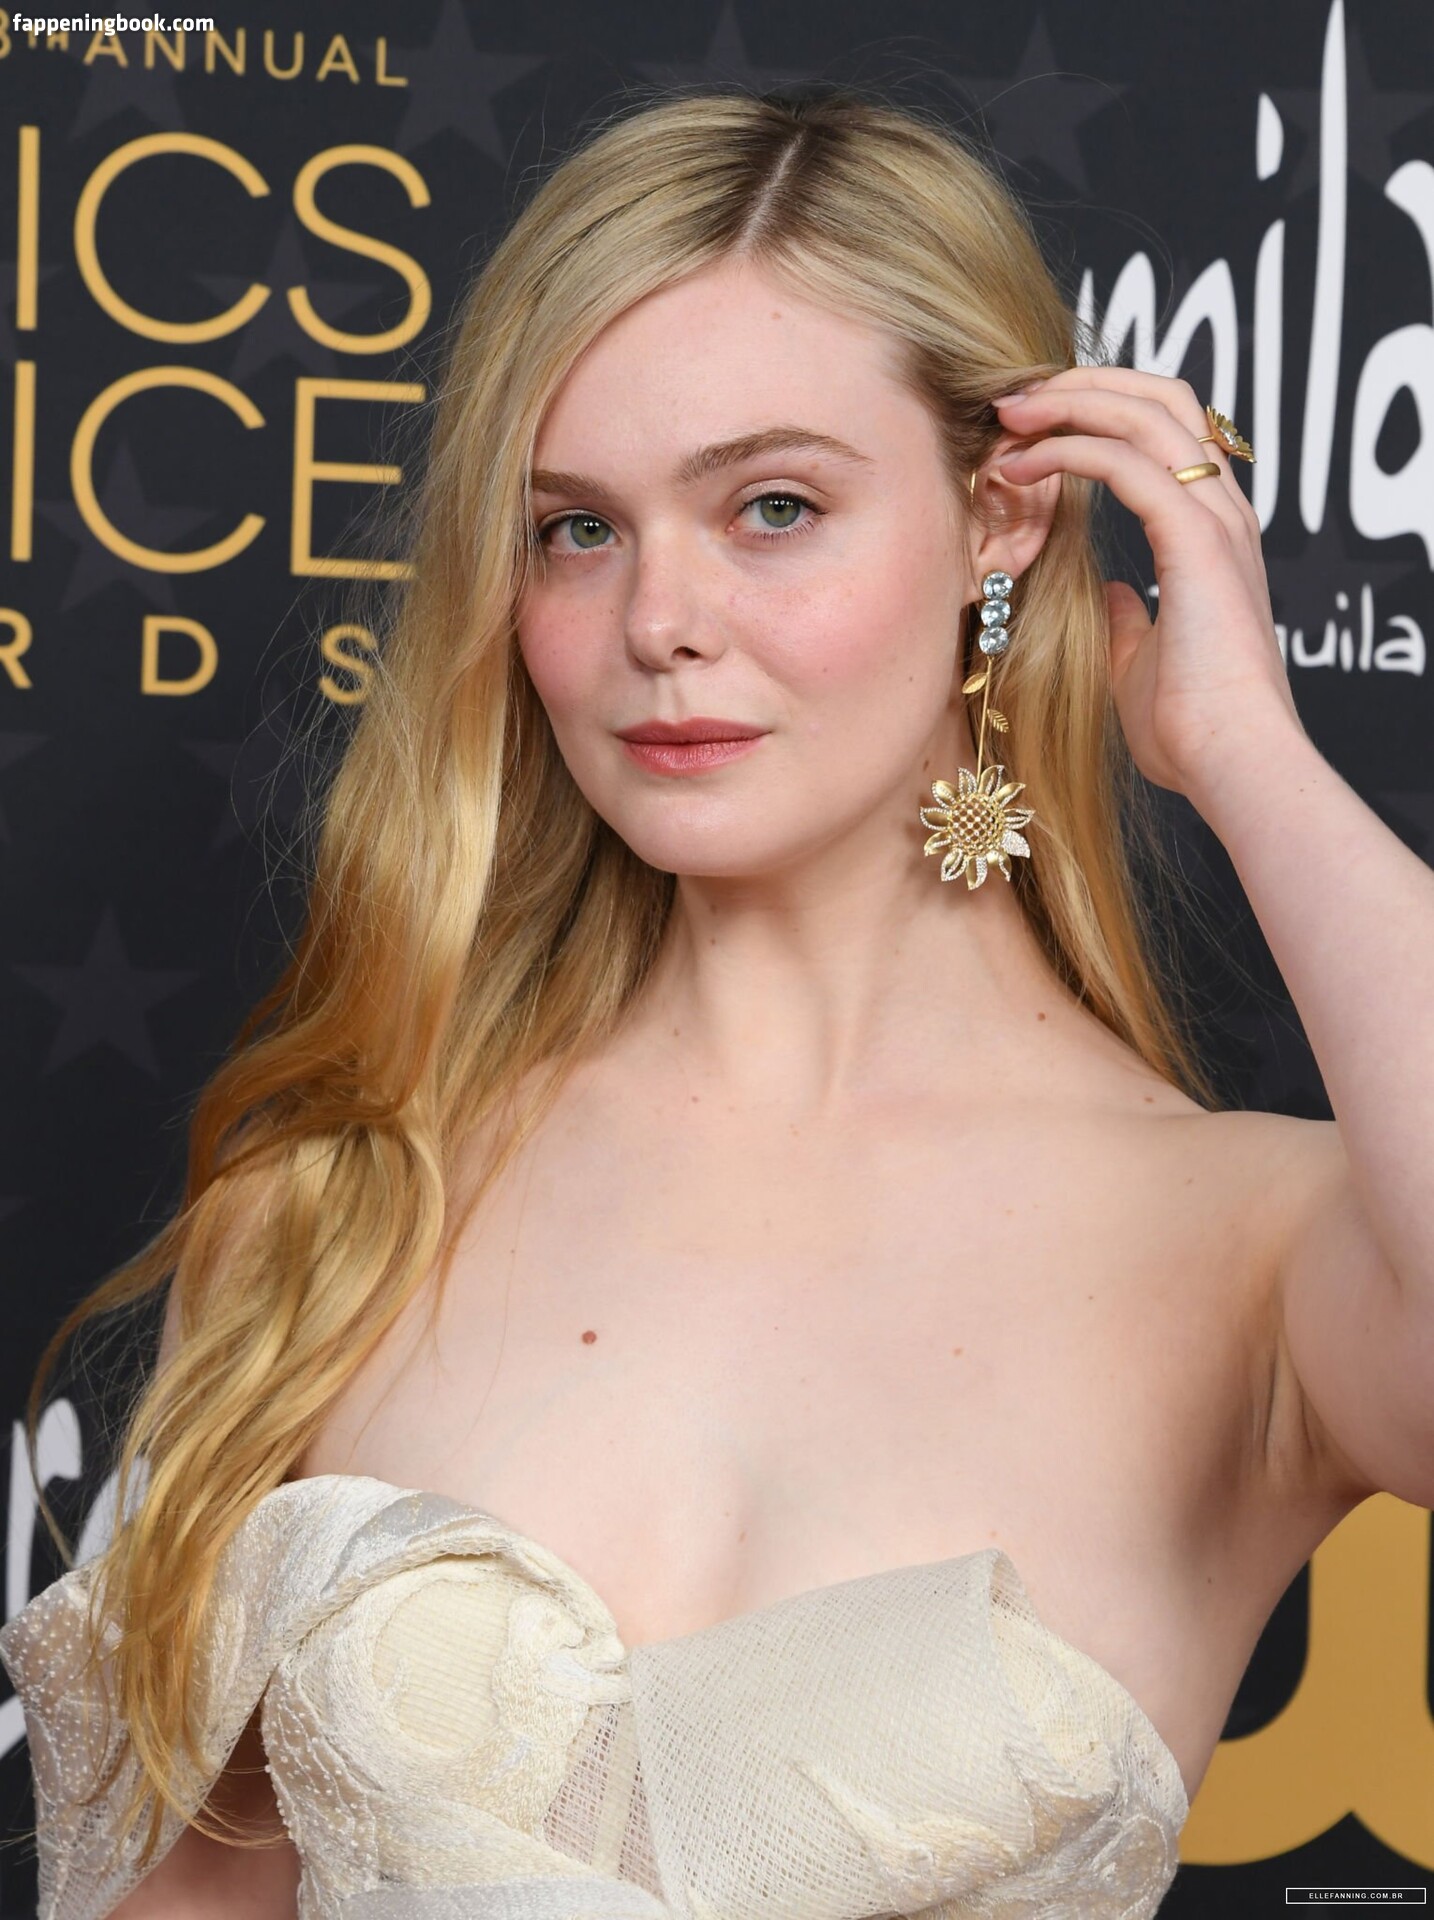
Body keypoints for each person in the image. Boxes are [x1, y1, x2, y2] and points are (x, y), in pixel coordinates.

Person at [3, 80, 1432, 1920]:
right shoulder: (338, 1210)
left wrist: (1244, 753)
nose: (656, 619)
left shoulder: (1254, 1247)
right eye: (575, 530)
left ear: (1000, 519)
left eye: (770, 507)